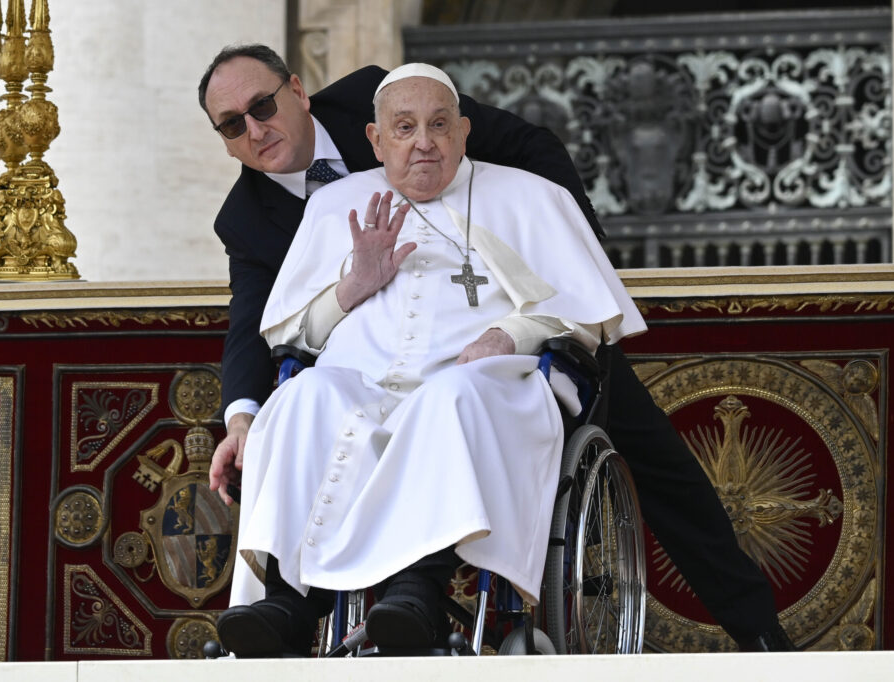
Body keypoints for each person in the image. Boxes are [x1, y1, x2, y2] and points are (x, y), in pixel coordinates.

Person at [200, 44, 794, 652]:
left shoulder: (407, 112)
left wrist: (566, 252)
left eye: (263, 106)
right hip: (367, 372)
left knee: (651, 462)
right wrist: (245, 416)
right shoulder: (265, 214)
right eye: (232, 125)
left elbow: (529, 149)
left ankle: (757, 631)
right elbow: (262, 327)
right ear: (376, 140)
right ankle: (289, 606)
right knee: (303, 400)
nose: (255, 128)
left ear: (297, 92)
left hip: (494, 357)